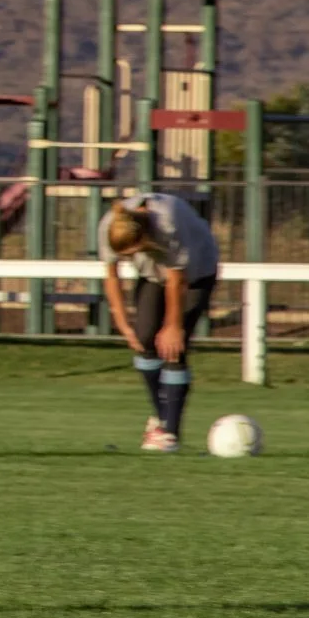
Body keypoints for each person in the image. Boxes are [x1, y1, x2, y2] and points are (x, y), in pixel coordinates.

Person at [97, 191, 222, 453]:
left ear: (146, 237)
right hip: (153, 276)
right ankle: (161, 417)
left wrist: (173, 326)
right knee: (143, 341)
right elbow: (111, 277)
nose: (130, 260)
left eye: (135, 253)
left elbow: (177, 281)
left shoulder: (168, 224)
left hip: (197, 274)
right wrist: (123, 323)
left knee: (172, 349)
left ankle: (169, 433)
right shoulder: (110, 224)